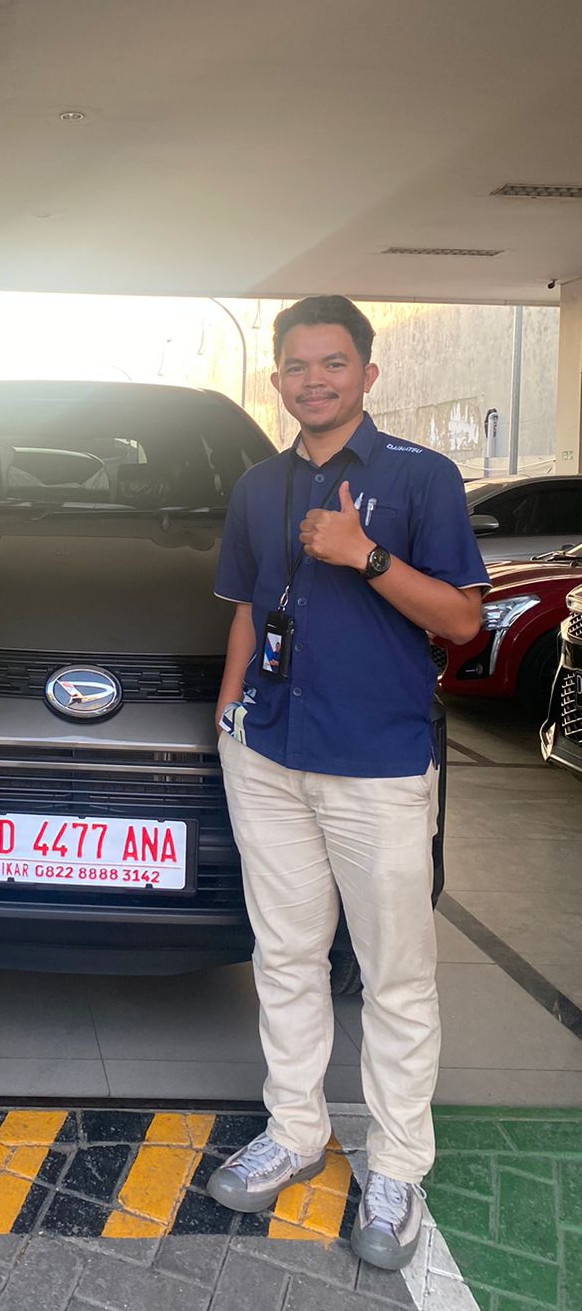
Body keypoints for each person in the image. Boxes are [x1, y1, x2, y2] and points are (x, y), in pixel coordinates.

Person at [207, 295, 487, 1271]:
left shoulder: (421, 477)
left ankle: (398, 1165)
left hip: (376, 761)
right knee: (284, 954)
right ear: (277, 379)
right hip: (270, 754)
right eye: (297, 365)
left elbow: (462, 620)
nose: (313, 380)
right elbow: (248, 608)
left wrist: (364, 555)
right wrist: (230, 712)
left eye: (333, 363)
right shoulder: (258, 486)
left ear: (368, 373)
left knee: (394, 973)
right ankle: (294, 1129)